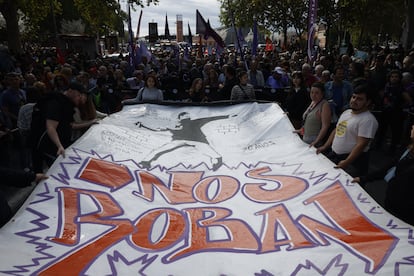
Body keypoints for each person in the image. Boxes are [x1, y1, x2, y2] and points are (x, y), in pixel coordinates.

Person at [352, 124, 414, 226]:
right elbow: (387, 168)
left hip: (407, 211)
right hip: (392, 201)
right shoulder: (407, 150)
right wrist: (363, 178)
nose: (412, 126)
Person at [136, 112, 236, 171]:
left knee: (214, 154)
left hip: (196, 140)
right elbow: (159, 129)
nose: (186, 122)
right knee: (215, 155)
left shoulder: (186, 123)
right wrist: (144, 126)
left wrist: (228, 116)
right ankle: (146, 162)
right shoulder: (177, 124)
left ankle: (146, 161)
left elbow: (210, 118)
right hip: (190, 140)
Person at [317, 84, 378, 176]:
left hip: (353, 162)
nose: (354, 101)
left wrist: (347, 161)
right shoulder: (346, 112)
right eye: (353, 97)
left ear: (368, 102)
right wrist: (325, 146)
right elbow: (336, 131)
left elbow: (361, 145)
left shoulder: (368, 120)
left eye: (359, 99)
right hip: (335, 155)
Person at [30, 82, 87, 173]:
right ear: (70, 91)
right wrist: (59, 145)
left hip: (57, 144)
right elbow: (51, 127)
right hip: (48, 145)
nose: (79, 98)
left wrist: (90, 123)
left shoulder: (67, 104)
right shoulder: (56, 102)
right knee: (56, 171)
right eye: (78, 95)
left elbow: (69, 125)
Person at [299, 82, 331, 147]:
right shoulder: (313, 102)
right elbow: (307, 120)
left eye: (317, 93)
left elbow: (325, 126)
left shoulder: (325, 105)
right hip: (305, 139)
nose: (313, 95)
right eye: (312, 92)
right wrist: (301, 130)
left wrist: (316, 141)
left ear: (322, 94)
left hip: (314, 142)